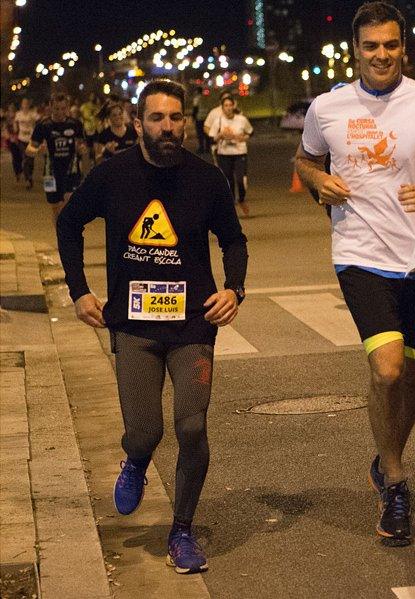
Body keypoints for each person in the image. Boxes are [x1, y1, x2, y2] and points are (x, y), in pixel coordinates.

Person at [293, 1, 415, 547]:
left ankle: (387, 456)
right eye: (371, 45)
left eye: (391, 45)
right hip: (359, 253)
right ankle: (396, 483)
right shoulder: (327, 107)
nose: (382, 54)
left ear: (404, 47)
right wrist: (316, 181)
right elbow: (305, 160)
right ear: (355, 49)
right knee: (389, 370)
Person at [56, 78, 248, 575]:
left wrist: (235, 289)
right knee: (144, 433)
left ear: (185, 121)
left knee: (191, 424)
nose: (168, 127)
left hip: (192, 326)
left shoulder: (207, 179)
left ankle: (181, 531)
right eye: (157, 118)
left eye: (176, 118)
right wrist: (79, 291)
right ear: (138, 123)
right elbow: (68, 224)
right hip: (134, 326)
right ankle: (136, 462)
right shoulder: (112, 175)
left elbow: (234, 240)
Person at [26, 94, 87, 221]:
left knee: (68, 202)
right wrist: (38, 150)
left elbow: (82, 146)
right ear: (50, 107)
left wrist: (81, 149)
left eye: (63, 108)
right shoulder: (43, 125)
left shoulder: (75, 124)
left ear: (68, 108)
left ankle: (66, 234)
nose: (60, 112)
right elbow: (29, 150)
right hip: (50, 173)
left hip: (72, 171)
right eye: (56, 109)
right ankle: (60, 236)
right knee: (55, 207)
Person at [212, 95, 254, 217]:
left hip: (240, 152)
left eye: (230, 105)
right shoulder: (218, 121)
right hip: (224, 154)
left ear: (234, 105)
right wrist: (221, 135)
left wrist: (242, 137)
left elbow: (250, 132)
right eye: (226, 106)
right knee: (228, 181)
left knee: (241, 180)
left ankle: (241, 199)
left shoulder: (241, 119)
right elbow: (212, 139)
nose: (229, 108)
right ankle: (231, 207)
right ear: (222, 107)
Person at [14, 98, 39, 189]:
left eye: (26, 104)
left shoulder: (33, 114)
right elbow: (15, 124)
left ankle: (30, 176)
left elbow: (39, 120)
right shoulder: (18, 114)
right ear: (21, 105)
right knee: (25, 159)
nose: (25, 105)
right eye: (23, 103)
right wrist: (15, 131)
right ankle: (27, 179)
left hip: (31, 139)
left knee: (31, 159)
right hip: (21, 139)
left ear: (28, 105)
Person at [2, 103, 24, 183]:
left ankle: (20, 170)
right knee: (15, 157)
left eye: (13, 110)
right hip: (11, 140)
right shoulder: (7, 120)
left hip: (20, 139)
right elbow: (5, 129)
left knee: (20, 156)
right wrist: (9, 137)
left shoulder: (19, 118)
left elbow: (21, 128)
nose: (11, 112)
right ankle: (17, 173)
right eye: (10, 110)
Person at [191, 88, 209, 154]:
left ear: (197, 91)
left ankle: (201, 148)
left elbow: (195, 108)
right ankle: (207, 148)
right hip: (206, 117)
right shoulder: (205, 98)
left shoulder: (197, 98)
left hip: (199, 117)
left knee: (200, 133)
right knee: (206, 133)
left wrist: (193, 117)